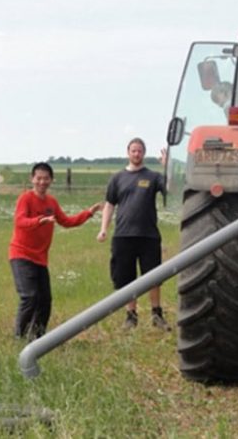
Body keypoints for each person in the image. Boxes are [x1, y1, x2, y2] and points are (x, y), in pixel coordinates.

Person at [9, 163, 102, 341]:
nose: (42, 182)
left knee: (45, 300)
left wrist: (89, 213)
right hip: (21, 254)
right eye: (38, 178)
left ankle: (38, 339)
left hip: (40, 258)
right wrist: (39, 221)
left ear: (51, 180)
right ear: (32, 179)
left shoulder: (51, 202)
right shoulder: (25, 198)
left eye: (46, 178)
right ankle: (19, 337)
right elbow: (20, 221)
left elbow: (67, 221)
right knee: (29, 296)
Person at [97, 138, 171, 331]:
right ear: (128, 152)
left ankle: (157, 314)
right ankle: (131, 316)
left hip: (148, 236)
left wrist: (167, 167)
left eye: (139, 151)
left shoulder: (153, 176)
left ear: (144, 153)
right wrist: (103, 229)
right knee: (126, 277)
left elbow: (170, 189)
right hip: (123, 235)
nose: (136, 154)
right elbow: (109, 205)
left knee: (153, 277)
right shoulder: (117, 178)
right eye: (133, 151)